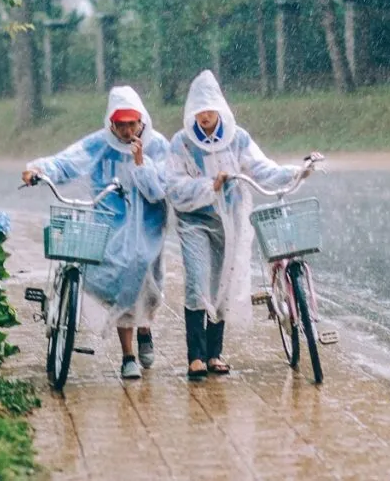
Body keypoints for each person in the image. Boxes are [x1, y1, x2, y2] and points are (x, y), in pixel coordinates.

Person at [167, 70, 314, 380]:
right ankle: (195, 356)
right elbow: (174, 185)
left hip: (228, 221)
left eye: (209, 110)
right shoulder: (181, 142)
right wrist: (210, 185)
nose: (204, 117)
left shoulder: (237, 138)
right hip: (194, 219)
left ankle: (214, 353)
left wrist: (296, 173)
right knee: (196, 279)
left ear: (220, 109)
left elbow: (261, 169)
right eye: (198, 112)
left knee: (222, 282)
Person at [22, 86, 168, 380]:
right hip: (111, 219)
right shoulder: (99, 144)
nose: (127, 131)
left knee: (147, 282)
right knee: (122, 280)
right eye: (121, 124)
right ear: (111, 124)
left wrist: (141, 164)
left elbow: (158, 191)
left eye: (132, 123)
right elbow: (68, 161)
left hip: (148, 224)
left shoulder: (158, 147)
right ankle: (128, 355)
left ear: (141, 122)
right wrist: (38, 169)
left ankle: (145, 329)